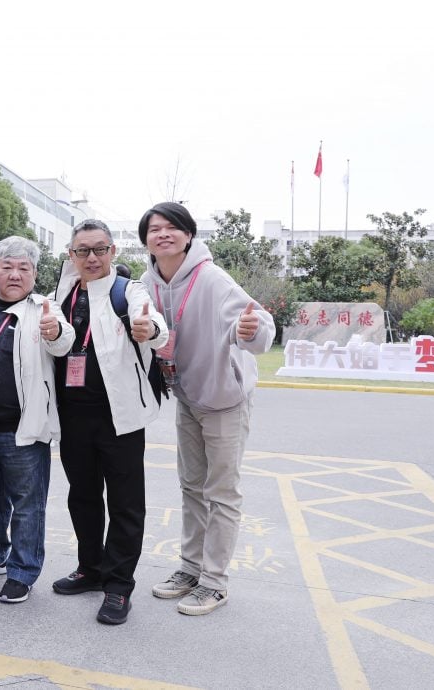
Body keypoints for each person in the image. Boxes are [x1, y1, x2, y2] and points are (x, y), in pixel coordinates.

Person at [137, 202, 274, 616]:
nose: (163, 234)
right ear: (146, 240)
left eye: (171, 227)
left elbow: (257, 324)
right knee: (192, 487)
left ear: (188, 235)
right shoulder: (149, 280)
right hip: (187, 396)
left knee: (222, 493)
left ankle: (214, 582)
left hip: (224, 398)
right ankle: (190, 569)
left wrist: (248, 331)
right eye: (154, 229)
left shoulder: (211, 278)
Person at [51, 219, 169, 625]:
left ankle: (118, 585)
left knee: (124, 503)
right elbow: (59, 343)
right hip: (73, 416)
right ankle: (91, 568)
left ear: (113, 252)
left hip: (120, 417)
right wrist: (51, 334)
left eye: (100, 249)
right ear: (71, 255)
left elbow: (156, 327)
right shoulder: (62, 293)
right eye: (83, 250)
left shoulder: (129, 290)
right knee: (82, 497)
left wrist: (149, 328)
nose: (92, 258)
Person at [0, 236, 74, 604]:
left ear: (35, 274)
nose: (15, 274)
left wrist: (54, 332)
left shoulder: (44, 310)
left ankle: (22, 571)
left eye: (24, 268)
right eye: (7, 267)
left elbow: (62, 340)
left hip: (23, 431)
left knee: (27, 505)